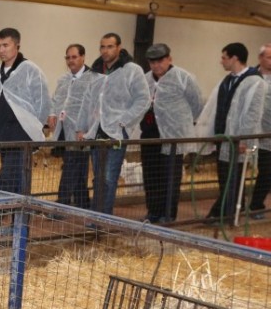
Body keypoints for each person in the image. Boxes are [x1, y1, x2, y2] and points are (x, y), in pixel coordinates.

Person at [0, 28, 49, 240]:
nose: (1, 50)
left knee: (5, 181)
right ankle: (18, 226)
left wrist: (33, 127)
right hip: (5, 135)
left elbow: (43, 102)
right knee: (17, 183)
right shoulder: (1, 70)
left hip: (21, 136)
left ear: (17, 45)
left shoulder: (30, 70)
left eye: (5, 45)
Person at [76, 32, 150, 216]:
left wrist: (123, 122)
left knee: (109, 178)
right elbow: (87, 101)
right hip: (96, 131)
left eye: (110, 46)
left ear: (119, 48)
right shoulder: (96, 72)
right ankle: (96, 216)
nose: (105, 50)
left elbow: (143, 99)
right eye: (102, 47)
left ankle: (103, 218)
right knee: (99, 178)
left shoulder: (131, 70)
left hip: (116, 133)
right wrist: (81, 127)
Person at [195, 42, 267, 222]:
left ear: (235, 58)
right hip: (223, 137)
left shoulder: (255, 82)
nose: (221, 61)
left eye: (224, 57)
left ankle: (225, 214)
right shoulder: (227, 80)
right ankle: (225, 212)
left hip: (237, 140)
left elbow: (253, 113)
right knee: (224, 177)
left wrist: (244, 139)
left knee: (233, 177)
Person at [139, 43, 204, 224]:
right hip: (150, 133)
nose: (156, 65)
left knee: (170, 176)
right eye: (152, 62)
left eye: (160, 61)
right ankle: (153, 211)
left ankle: (168, 214)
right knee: (151, 174)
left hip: (173, 135)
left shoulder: (184, 78)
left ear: (169, 59)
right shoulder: (145, 80)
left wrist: (182, 123)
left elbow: (197, 104)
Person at [47, 44, 100, 209]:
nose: (71, 61)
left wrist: (87, 129)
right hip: (64, 129)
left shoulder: (93, 79)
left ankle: (60, 206)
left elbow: (95, 106)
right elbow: (56, 99)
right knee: (77, 169)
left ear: (83, 57)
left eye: (74, 57)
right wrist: (52, 113)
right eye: (68, 57)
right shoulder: (63, 79)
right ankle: (83, 204)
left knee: (71, 167)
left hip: (80, 132)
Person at [248, 43, 271, 218]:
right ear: (260, 58)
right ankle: (234, 206)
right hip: (251, 131)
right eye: (269, 57)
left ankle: (256, 205)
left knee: (267, 171)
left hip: (269, 134)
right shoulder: (250, 76)